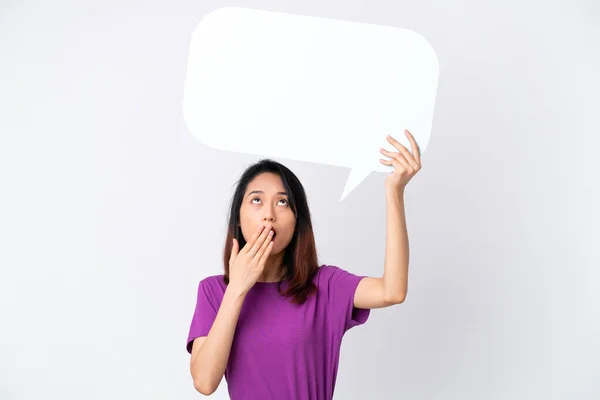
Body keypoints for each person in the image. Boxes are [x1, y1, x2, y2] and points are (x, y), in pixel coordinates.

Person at [186, 130, 422, 399]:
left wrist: (395, 192)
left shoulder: (325, 286)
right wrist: (238, 288)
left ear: (297, 219)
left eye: (283, 202)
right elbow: (204, 382)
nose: (269, 215)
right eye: (256, 200)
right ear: (238, 218)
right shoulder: (214, 291)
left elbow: (393, 291)